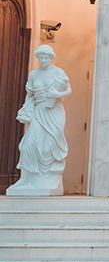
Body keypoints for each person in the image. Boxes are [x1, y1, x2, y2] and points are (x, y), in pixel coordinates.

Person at [8, 45, 71, 196]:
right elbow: (29, 95)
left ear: (51, 57)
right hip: (38, 111)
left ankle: (48, 178)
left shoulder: (58, 72)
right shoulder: (34, 74)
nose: (43, 60)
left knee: (47, 146)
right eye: (40, 58)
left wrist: (56, 93)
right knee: (27, 145)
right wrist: (26, 109)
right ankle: (26, 179)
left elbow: (68, 90)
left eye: (45, 58)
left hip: (53, 111)